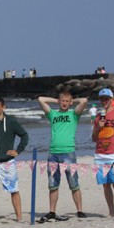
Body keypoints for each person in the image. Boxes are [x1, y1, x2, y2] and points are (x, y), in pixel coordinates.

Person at [37, 92, 89, 220]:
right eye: (62, 101)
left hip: (68, 153)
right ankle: (52, 211)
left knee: (74, 183)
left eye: (67, 101)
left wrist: (72, 101)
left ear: (70, 102)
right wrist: (57, 100)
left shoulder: (73, 115)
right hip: (53, 153)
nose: (64, 103)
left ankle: (80, 210)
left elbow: (84, 100)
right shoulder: (53, 114)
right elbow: (41, 99)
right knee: (53, 184)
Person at [92, 88, 114, 217]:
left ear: (111, 99)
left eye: (106, 98)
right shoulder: (98, 116)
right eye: (102, 98)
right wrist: (98, 128)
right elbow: (94, 138)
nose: (104, 101)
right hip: (100, 155)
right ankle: (111, 211)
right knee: (106, 185)